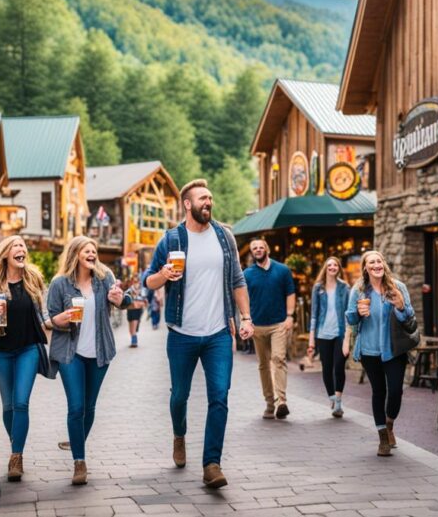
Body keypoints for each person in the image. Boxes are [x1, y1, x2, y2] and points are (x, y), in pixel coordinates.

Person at [146, 179, 254, 489]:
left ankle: (211, 464)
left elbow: (237, 281)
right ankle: (179, 434)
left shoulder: (224, 237)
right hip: (181, 333)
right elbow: (149, 281)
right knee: (179, 395)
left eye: (210, 198)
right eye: (202, 198)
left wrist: (245, 316)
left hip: (219, 332)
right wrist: (163, 275)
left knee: (219, 396)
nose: (208, 202)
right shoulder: (171, 240)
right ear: (187, 204)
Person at [46, 236, 132, 485]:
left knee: (90, 406)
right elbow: (50, 316)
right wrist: (59, 319)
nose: (92, 253)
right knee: (76, 407)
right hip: (69, 353)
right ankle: (79, 462)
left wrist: (121, 300)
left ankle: (76, 440)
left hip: (100, 352)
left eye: (94, 250)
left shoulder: (105, 279)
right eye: (87, 250)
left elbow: (123, 299)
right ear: (76, 254)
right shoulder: (60, 284)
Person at [0, 235, 51, 483]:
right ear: (6, 253)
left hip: (27, 348)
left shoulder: (33, 280)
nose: (21, 250)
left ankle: (16, 456)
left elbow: (45, 313)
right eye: (16, 246)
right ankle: (16, 443)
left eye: (23, 247)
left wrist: (61, 325)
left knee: (21, 403)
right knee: (8, 406)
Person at [344, 250, 415, 457]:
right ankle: (383, 437)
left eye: (379, 261)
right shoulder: (359, 291)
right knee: (378, 392)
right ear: (365, 268)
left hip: (393, 349)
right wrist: (358, 313)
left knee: (395, 391)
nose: (376, 265)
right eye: (371, 262)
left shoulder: (398, 287)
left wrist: (401, 306)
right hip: (369, 350)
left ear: (383, 264)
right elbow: (350, 319)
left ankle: (389, 423)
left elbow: (409, 316)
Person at [243, 239, 296, 420]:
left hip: (278, 324)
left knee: (278, 359)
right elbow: (243, 300)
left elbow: (290, 293)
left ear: (267, 249)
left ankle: (281, 401)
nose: (258, 250)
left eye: (260, 247)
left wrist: (290, 316)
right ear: (252, 253)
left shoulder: (282, 270)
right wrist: (246, 321)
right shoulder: (247, 274)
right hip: (257, 326)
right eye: (254, 248)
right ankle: (269, 403)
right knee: (264, 365)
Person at [307, 257, 350, 418]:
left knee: (339, 366)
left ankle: (338, 401)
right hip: (322, 334)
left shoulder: (345, 288)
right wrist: (311, 340)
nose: (332, 267)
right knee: (327, 367)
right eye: (329, 265)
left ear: (339, 268)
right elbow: (314, 315)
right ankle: (332, 397)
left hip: (340, 333)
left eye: (335, 265)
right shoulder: (318, 288)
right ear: (325, 268)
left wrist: (348, 335)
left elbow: (348, 313)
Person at [126, 275, 146, 347]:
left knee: (134, 327)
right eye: (134, 281)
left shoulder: (142, 290)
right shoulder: (129, 290)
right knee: (130, 329)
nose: (136, 283)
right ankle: (133, 339)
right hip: (130, 310)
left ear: (139, 282)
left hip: (137, 310)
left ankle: (134, 342)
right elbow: (125, 300)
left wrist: (139, 302)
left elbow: (145, 301)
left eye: (137, 281)